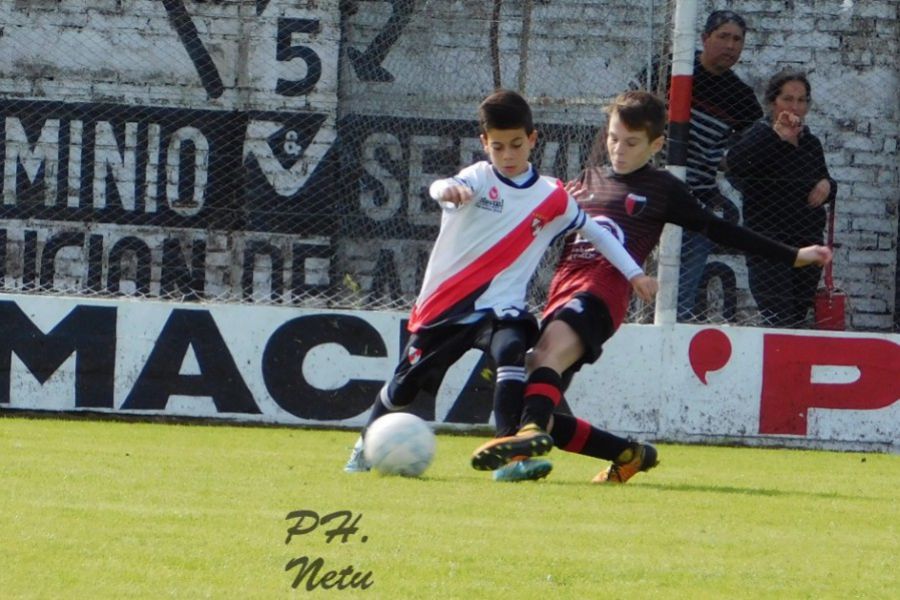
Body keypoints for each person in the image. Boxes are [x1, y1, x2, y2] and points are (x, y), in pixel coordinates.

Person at [470, 90, 832, 483]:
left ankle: (524, 442)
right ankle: (630, 454)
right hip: (561, 296)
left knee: (544, 359)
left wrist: (793, 255)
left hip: (600, 294)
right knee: (541, 405)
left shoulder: (662, 188)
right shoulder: (585, 181)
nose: (618, 149)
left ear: (656, 144)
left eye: (631, 143)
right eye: (612, 138)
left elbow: (720, 228)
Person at [344, 89, 657, 477]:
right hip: (447, 307)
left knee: (511, 350)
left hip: (501, 307)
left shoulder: (553, 197)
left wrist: (635, 274)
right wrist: (448, 191)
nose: (507, 156)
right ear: (484, 145)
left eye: (515, 145)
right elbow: (439, 187)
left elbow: (599, 234)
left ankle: (512, 455)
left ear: (532, 139)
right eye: (497, 147)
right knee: (403, 387)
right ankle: (362, 445)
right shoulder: (475, 178)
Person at [725, 70, 836, 328]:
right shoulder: (759, 135)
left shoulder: (810, 143)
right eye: (787, 99)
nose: (794, 106)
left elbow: (827, 180)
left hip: (807, 242)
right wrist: (777, 137)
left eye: (801, 100)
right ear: (774, 101)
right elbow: (735, 165)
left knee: (797, 318)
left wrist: (827, 184)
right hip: (769, 244)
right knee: (778, 318)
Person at [674, 10, 763, 321]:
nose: (730, 46)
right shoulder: (674, 68)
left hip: (696, 200)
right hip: (649, 192)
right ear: (704, 38)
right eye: (723, 37)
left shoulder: (740, 98)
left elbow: (753, 151)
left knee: (681, 296)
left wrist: (725, 160)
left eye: (737, 40)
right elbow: (624, 114)